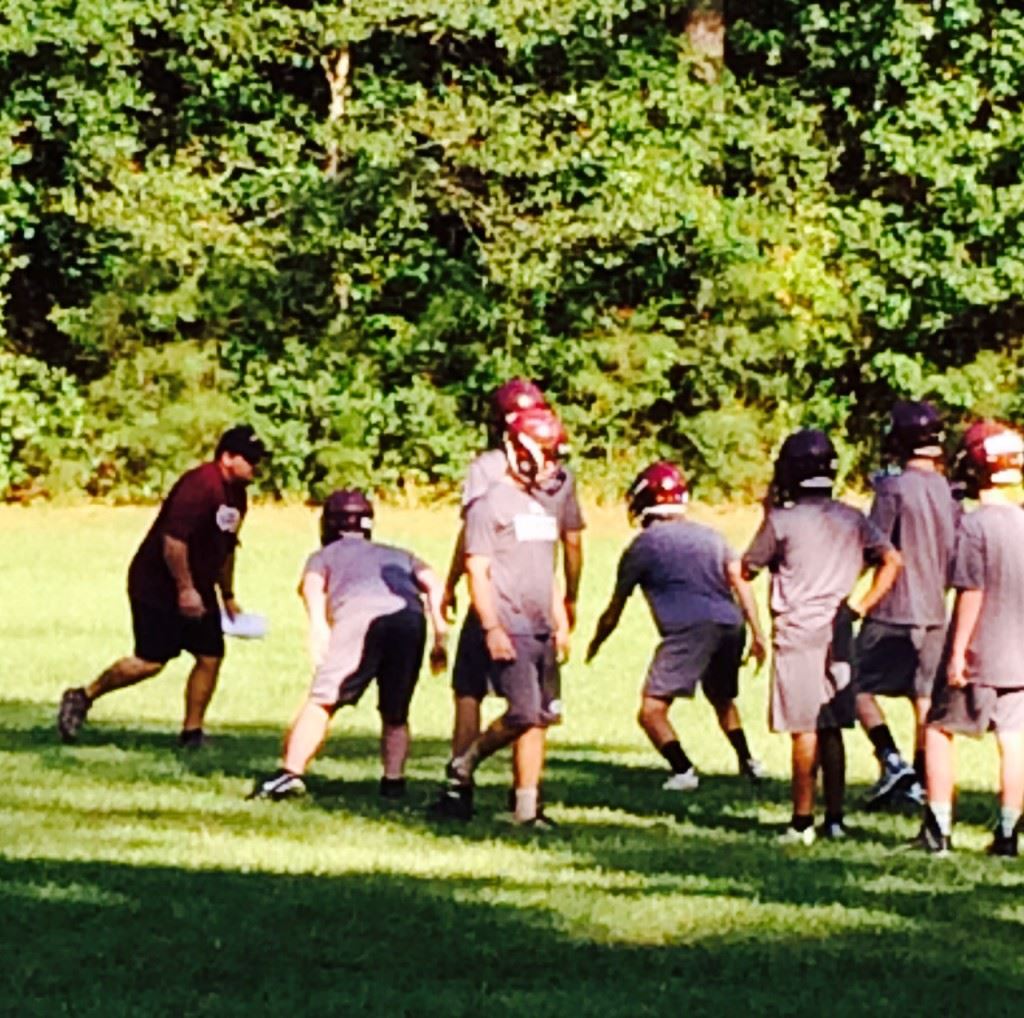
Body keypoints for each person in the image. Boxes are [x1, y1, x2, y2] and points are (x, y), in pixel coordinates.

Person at [56, 425, 266, 747]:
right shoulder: (199, 485)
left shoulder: (237, 495)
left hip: (198, 583)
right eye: (250, 459)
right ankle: (83, 696)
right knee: (151, 661)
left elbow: (226, 548)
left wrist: (227, 594)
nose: (256, 466)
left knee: (210, 655)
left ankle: (192, 733)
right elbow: (173, 542)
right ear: (227, 457)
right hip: (157, 582)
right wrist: (185, 589)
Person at [742, 429, 902, 844]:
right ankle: (834, 817)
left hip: (798, 631)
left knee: (804, 728)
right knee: (832, 726)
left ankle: (801, 820)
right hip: (839, 629)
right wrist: (860, 605)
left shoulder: (783, 521)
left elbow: (745, 568)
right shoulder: (852, 518)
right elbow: (891, 559)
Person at [435, 379, 583, 820]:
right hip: (502, 613)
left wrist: (561, 613)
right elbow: (477, 551)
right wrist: (487, 618)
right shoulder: (493, 492)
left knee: (538, 714)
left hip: (538, 614)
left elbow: (552, 555)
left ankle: (526, 805)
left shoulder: (544, 493)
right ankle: (461, 774)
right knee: (505, 704)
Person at [250, 489, 448, 801]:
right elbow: (433, 583)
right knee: (396, 710)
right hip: (409, 620)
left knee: (323, 699)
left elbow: (311, 587)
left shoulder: (322, 557)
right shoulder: (399, 553)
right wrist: (440, 634)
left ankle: (289, 774)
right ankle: (393, 783)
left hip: (360, 620)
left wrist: (317, 628)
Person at [586, 461, 769, 790]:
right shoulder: (713, 536)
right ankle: (749, 762)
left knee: (651, 710)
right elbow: (739, 582)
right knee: (722, 697)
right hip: (731, 623)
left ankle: (683, 771)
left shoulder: (643, 546)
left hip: (690, 629)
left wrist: (597, 641)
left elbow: (615, 608)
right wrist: (757, 632)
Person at [916, 422, 1024, 857]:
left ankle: (938, 828)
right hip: (1020, 654)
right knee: (1014, 738)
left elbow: (972, 591)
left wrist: (958, 651)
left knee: (939, 729)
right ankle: (1008, 831)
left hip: (983, 650)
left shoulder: (975, 526)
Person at [854, 401, 959, 808]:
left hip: (892, 607)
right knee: (925, 699)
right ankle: (920, 779)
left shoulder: (892, 488)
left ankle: (892, 759)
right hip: (935, 611)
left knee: (853, 684)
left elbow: (874, 546)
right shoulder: (950, 494)